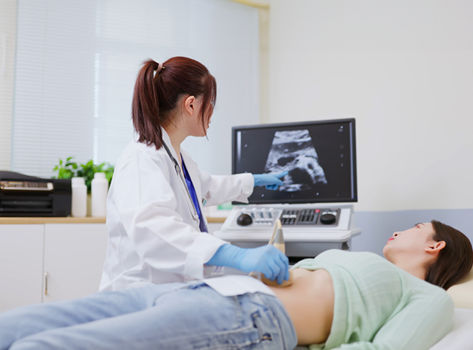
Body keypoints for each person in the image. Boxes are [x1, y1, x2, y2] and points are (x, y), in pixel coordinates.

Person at [1, 220, 471, 350]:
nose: (398, 231)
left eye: (413, 228)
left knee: (49, 345)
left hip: (250, 320)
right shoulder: (362, 259)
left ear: (436, 248)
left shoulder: (430, 299)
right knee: (18, 325)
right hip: (208, 292)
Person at [100, 57, 289, 291]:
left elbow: (206, 186)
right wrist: (233, 255)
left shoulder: (178, 157)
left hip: (171, 290)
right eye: (210, 104)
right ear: (190, 105)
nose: (212, 113)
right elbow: (154, 229)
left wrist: (254, 180)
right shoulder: (141, 159)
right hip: (138, 294)